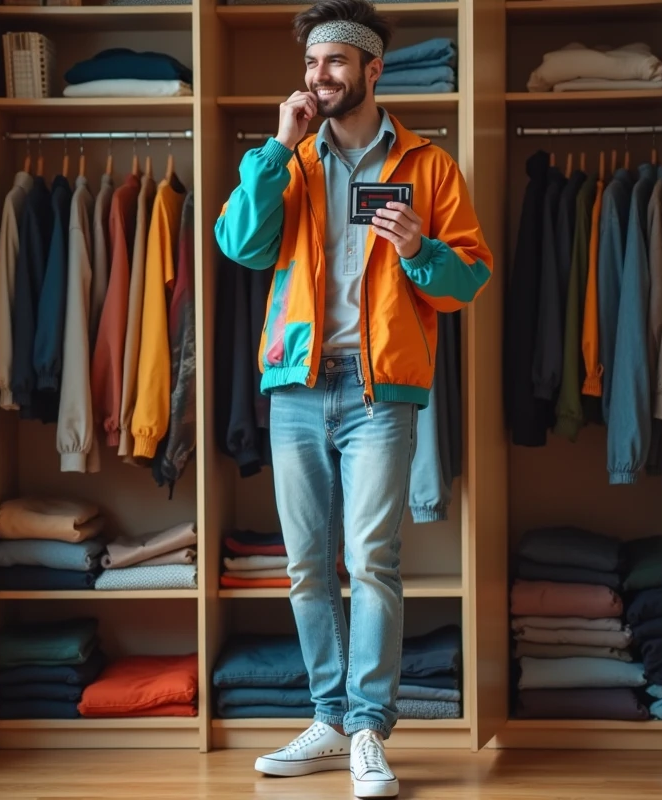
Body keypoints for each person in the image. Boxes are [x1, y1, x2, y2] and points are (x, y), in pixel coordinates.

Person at [214, 0, 492, 796]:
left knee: (372, 560)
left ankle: (368, 728)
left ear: (374, 69)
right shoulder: (290, 161)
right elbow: (241, 245)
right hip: (297, 386)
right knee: (306, 566)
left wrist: (419, 249)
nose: (318, 76)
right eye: (310, 63)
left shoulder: (430, 166)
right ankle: (329, 719)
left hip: (381, 393)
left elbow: (467, 280)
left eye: (334, 62)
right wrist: (275, 146)